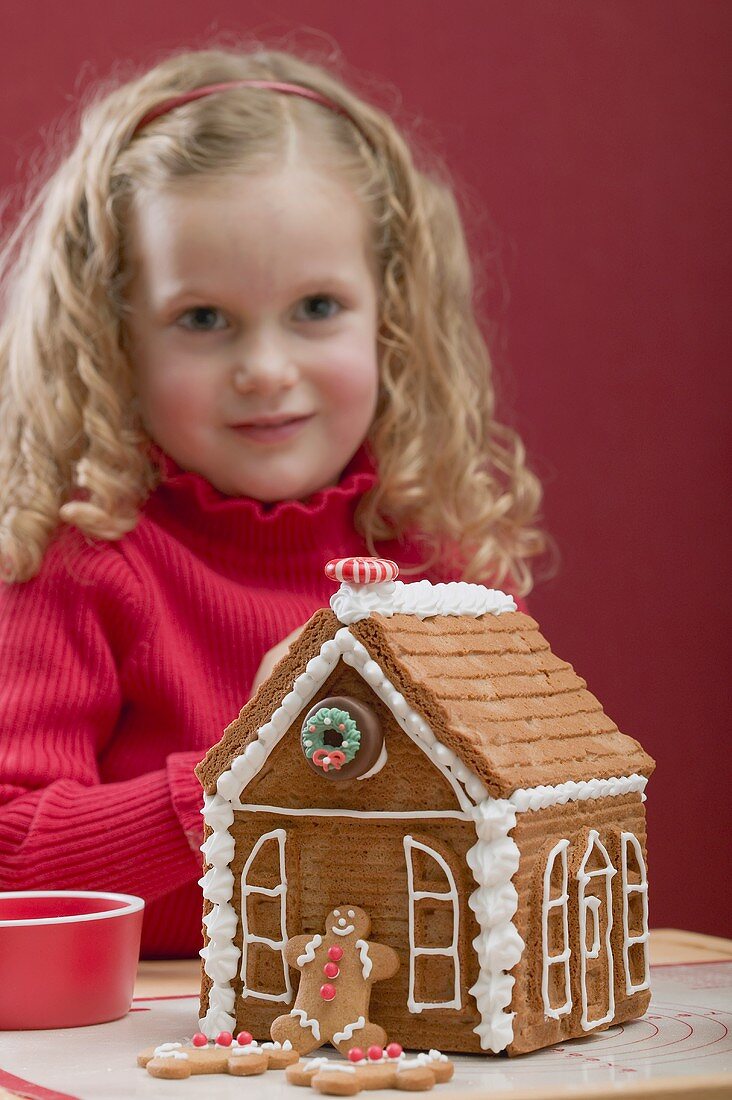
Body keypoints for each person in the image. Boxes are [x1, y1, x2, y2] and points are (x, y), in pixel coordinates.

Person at [0, 46, 546, 957]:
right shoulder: (77, 562)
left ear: (392, 316)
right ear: (115, 339)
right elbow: (12, 865)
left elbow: (520, 837)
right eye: (204, 319)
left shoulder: (439, 565)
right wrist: (243, 763)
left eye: (317, 307)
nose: (265, 369)